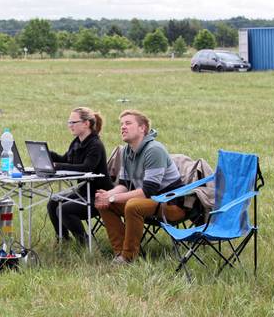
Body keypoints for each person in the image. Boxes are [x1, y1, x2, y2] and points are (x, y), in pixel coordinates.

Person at [95, 110, 185, 264]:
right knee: (105, 204)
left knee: (133, 205)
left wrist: (111, 197)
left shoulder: (154, 150)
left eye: (128, 123)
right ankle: (120, 252)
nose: (123, 127)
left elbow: (148, 191)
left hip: (171, 205)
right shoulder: (127, 151)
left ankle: (129, 257)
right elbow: (123, 185)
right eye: (121, 124)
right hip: (150, 202)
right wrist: (107, 196)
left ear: (142, 128)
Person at [47, 107, 113, 245]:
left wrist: (58, 166)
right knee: (53, 202)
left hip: (99, 195)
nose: (70, 126)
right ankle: (63, 239)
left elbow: (86, 168)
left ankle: (85, 243)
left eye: (73, 122)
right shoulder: (77, 142)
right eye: (69, 122)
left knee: (64, 209)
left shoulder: (95, 145)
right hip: (83, 191)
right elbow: (66, 160)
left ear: (86, 124)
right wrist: (47, 153)